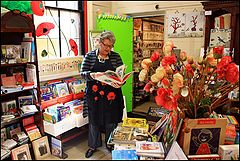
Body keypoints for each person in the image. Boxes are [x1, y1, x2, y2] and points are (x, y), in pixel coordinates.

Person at [80, 30, 125, 158]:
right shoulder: (89, 56)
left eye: (111, 46)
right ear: (99, 43)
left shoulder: (116, 56)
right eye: (106, 45)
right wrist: (93, 75)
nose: (108, 48)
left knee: (111, 121)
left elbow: (120, 75)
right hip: (95, 96)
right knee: (94, 122)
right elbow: (82, 74)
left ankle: (110, 145)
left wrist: (120, 82)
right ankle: (93, 146)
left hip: (112, 95)